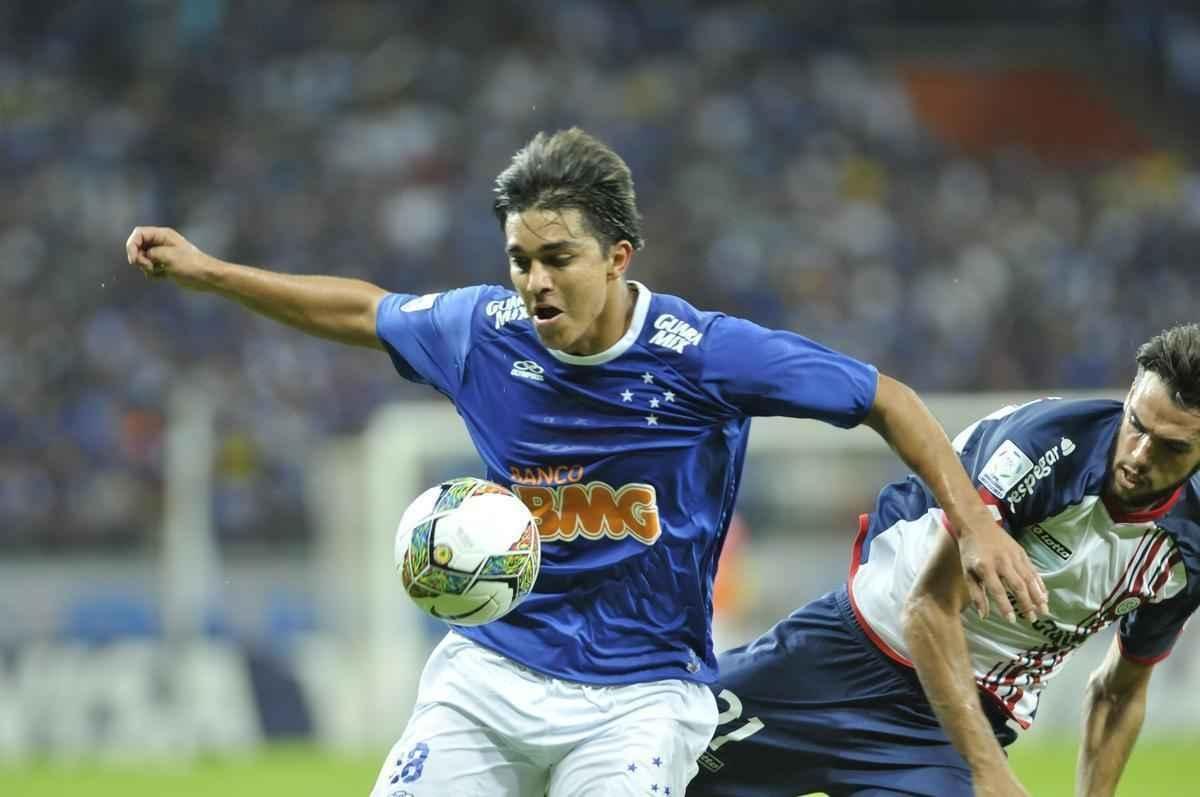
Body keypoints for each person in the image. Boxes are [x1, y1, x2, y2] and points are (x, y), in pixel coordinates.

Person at [125, 128, 1045, 796]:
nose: (534, 281)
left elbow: (887, 396)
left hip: (642, 697)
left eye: (557, 258)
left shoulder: (704, 353)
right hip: (490, 671)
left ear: (617, 257)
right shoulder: (481, 332)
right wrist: (210, 271)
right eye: (521, 258)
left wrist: (972, 521)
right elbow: (363, 311)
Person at [690, 323, 1200, 797]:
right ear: (1130, 393)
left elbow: (1118, 693)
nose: (1138, 454)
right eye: (1136, 425)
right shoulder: (1047, 446)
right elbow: (927, 611)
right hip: (845, 653)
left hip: (950, 726)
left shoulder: (1189, 547)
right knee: (652, 752)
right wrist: (989, 769)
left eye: (1171, 448)